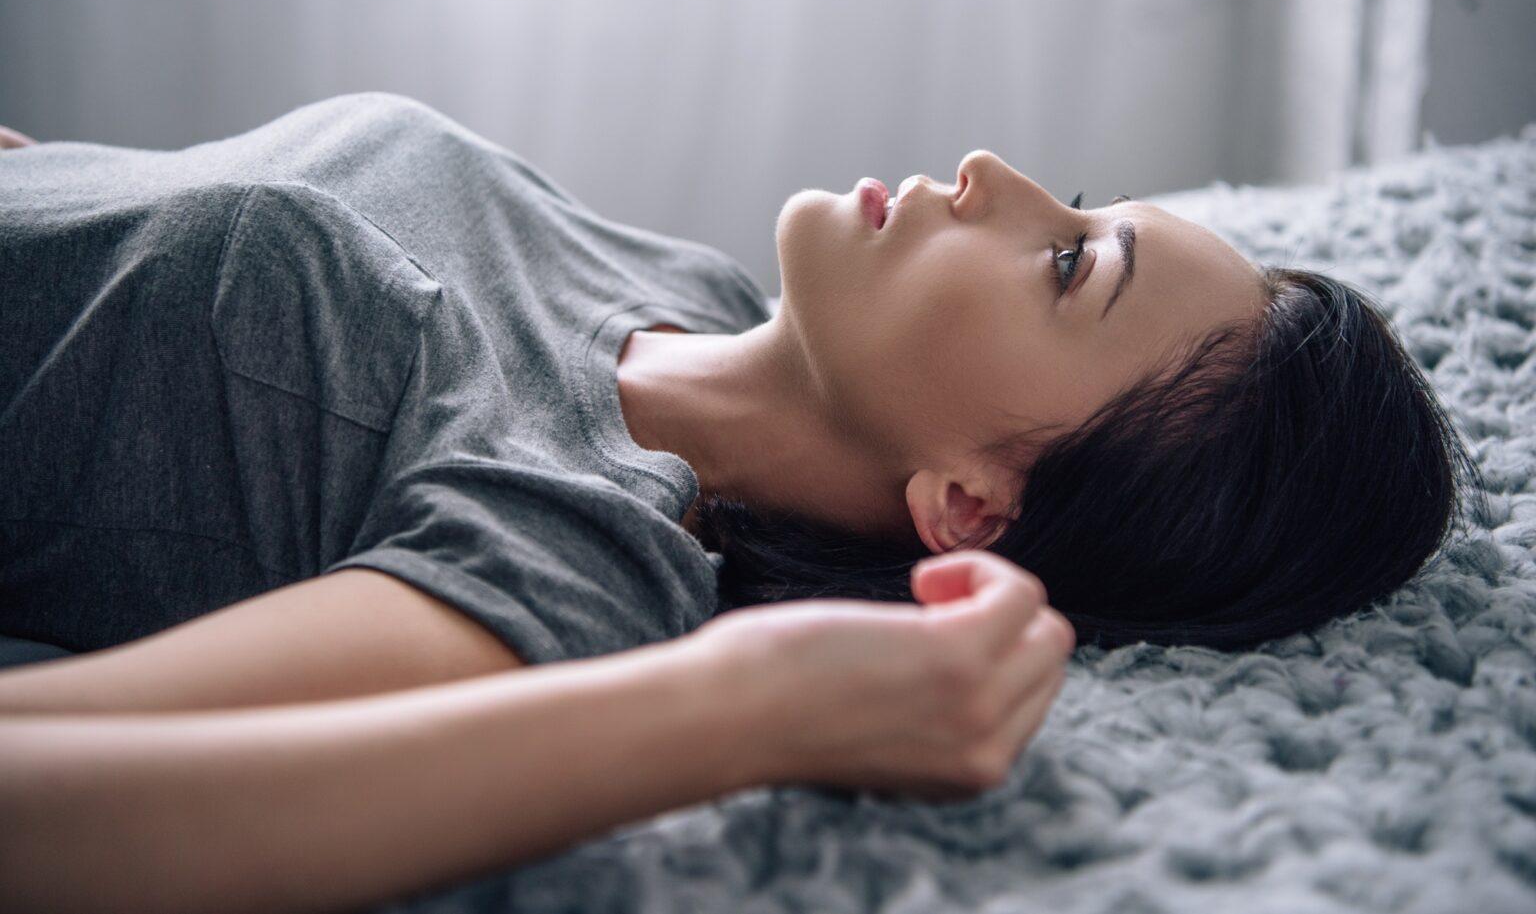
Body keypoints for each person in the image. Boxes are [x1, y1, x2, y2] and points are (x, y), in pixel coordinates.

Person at [0, 93, 1479, 910]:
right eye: (1080, 204)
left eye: (1067, 263)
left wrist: (749, 706)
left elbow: (43, 800)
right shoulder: (674, 290)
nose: (996, 172)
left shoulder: (570, 542)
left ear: (971, 506)